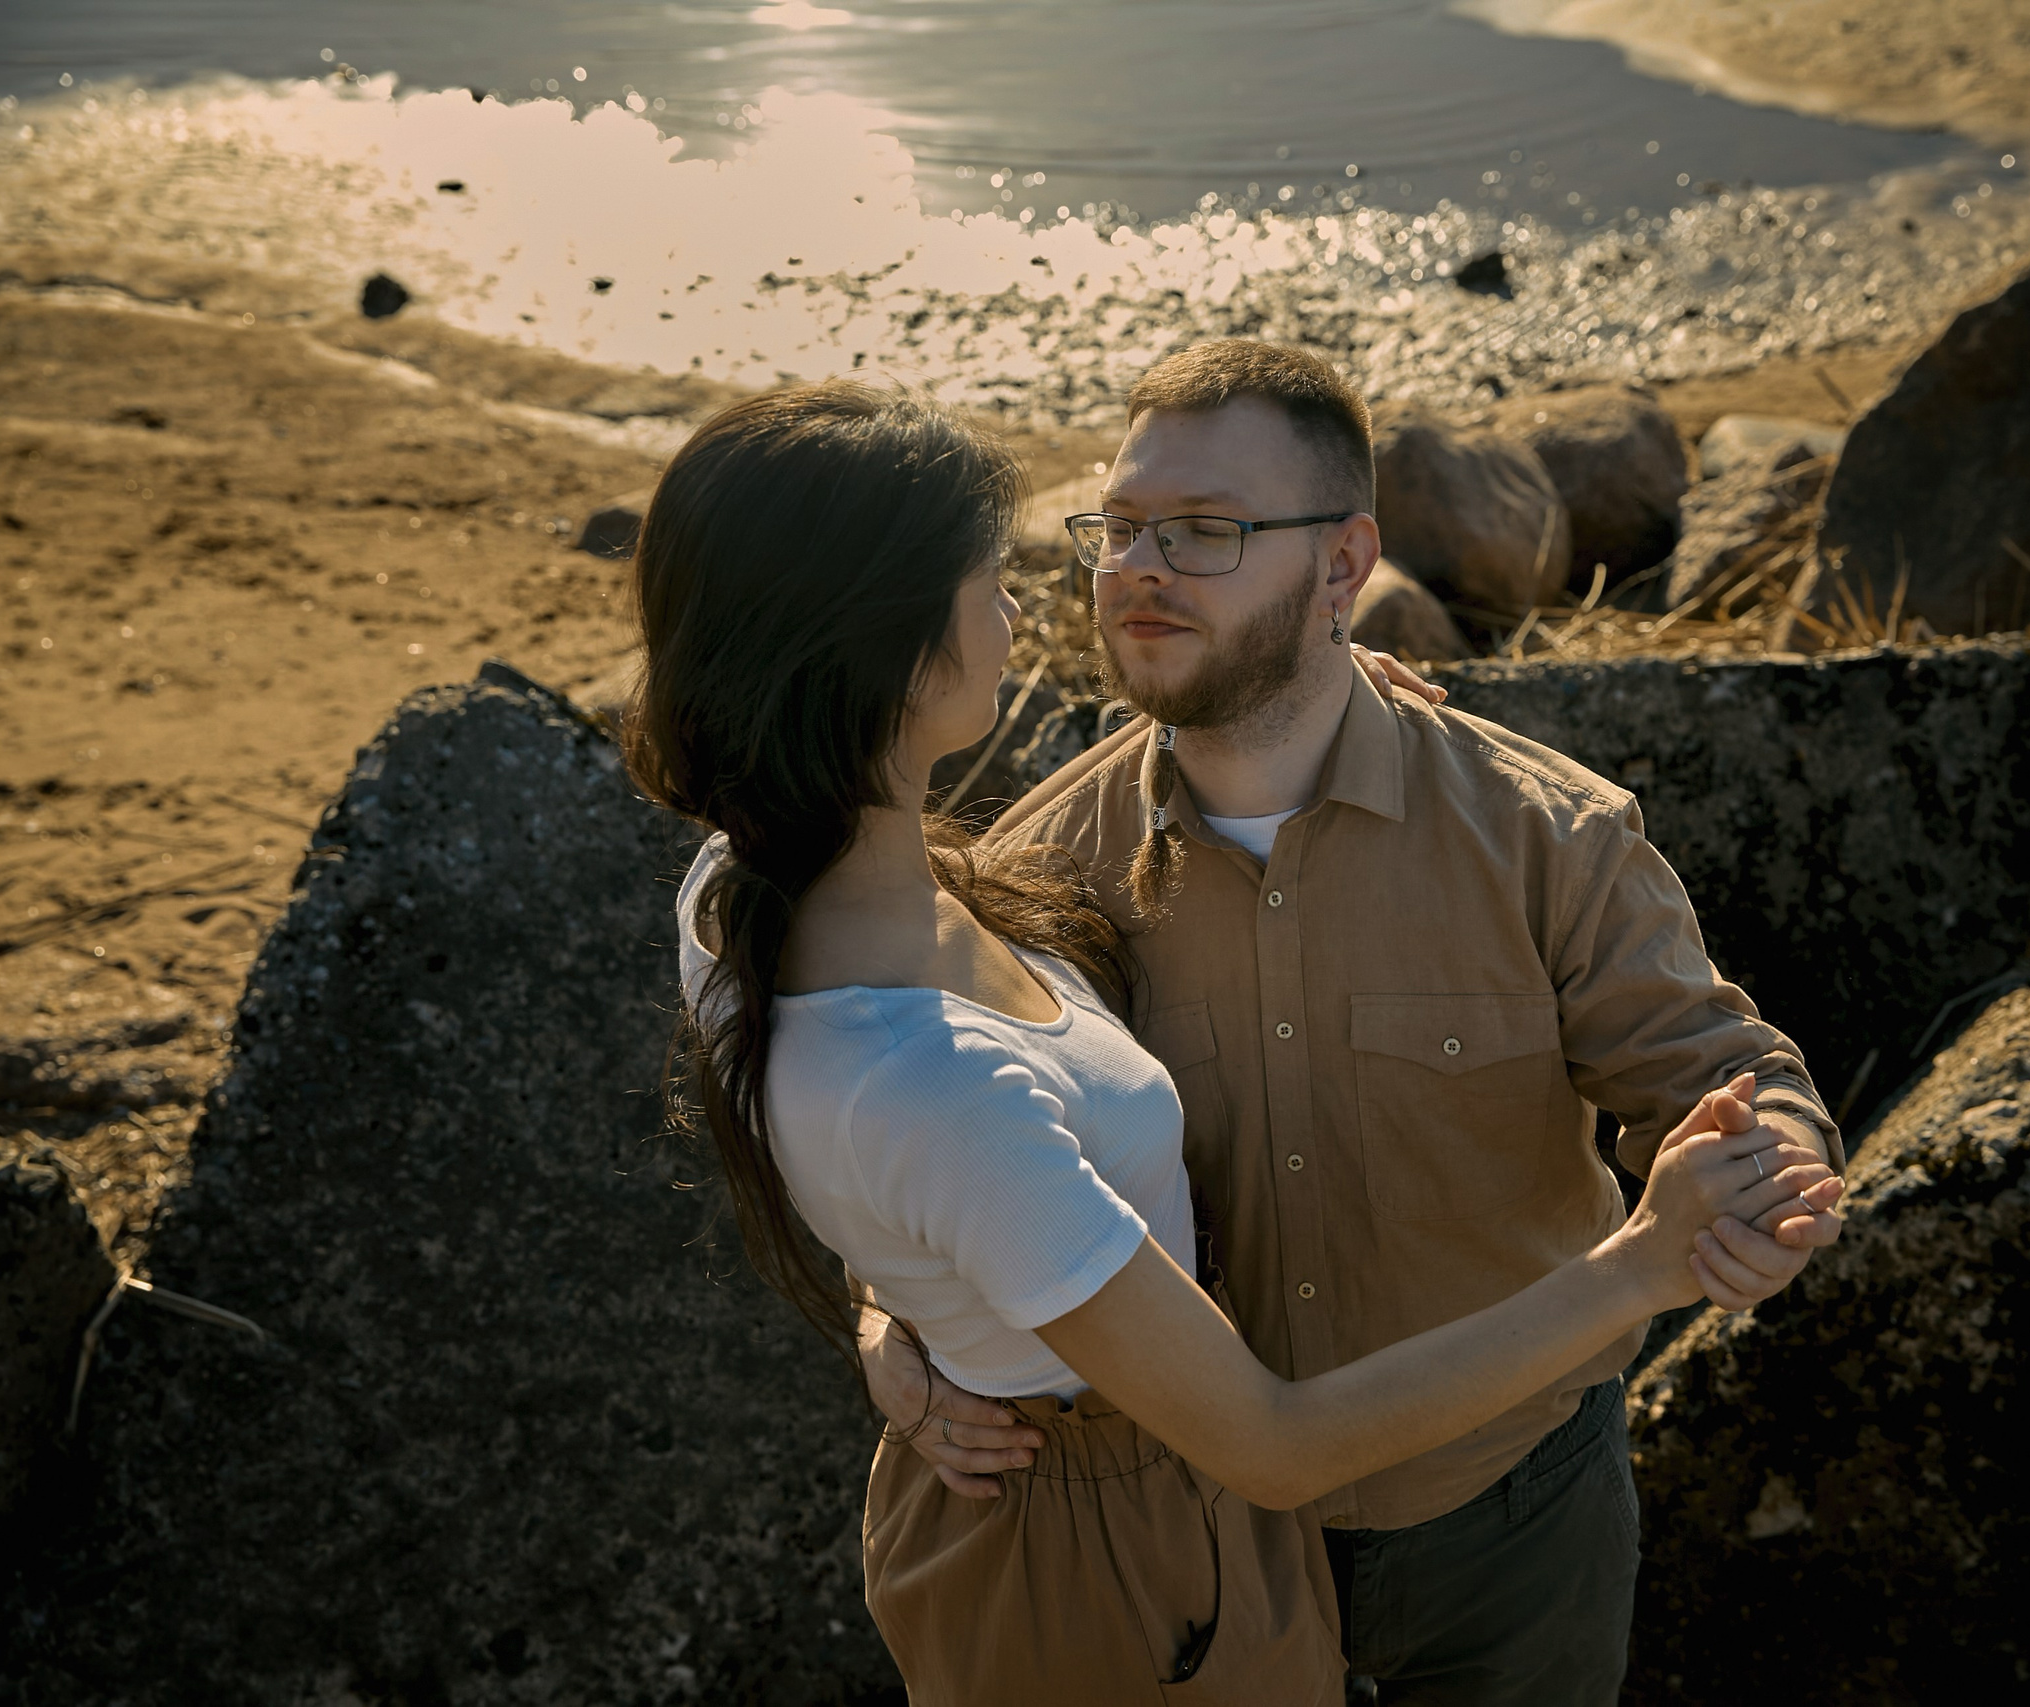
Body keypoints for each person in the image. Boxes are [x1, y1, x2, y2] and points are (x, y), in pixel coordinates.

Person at [626, 381, 1843, 1704]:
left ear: (1345, 566)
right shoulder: (1037, 871)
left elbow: (1724, 1074)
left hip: (1508, 1524)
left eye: (1203, 530)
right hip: (1186, 1545)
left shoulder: (1542, 833)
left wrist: (1766, 1169)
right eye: (1119, 526)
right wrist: (893, 1330)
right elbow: (938, 1150)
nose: (1134, 571)